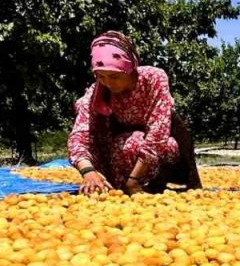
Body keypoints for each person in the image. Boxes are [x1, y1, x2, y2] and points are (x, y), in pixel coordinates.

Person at [68, 31, 201, 195]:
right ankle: (116, 184)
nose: (108, 82)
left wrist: (134, 180)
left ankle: (149, 183)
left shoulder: (153, 78)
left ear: (130, 69)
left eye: (114, 76)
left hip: (152, 153)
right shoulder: (98, 90)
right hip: (112, 155)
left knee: (145, 143)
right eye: (101, 76)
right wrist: (88, 171)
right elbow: (80, 134)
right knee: (119, 143)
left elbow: (158, 132)